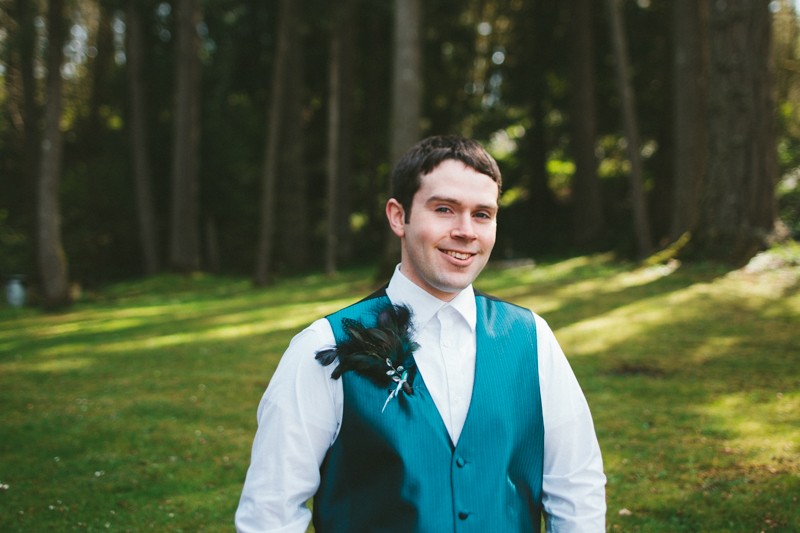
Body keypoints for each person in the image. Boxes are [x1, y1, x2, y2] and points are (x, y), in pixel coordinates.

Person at [236, 135, 606, 532]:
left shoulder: (532, 339)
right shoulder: (325, 345)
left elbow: (576, 488)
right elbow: (270, 512)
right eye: (444, 209)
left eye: (482, 214)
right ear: (399, 216)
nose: (465, 231)